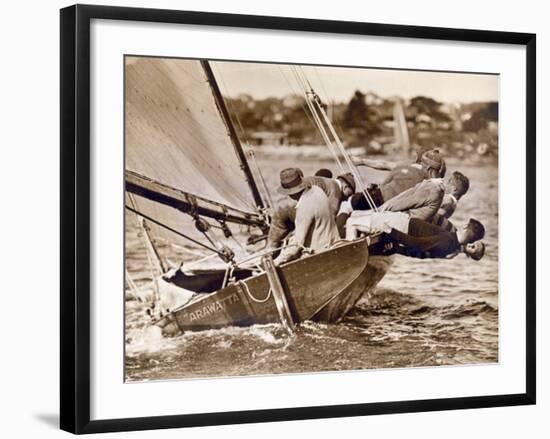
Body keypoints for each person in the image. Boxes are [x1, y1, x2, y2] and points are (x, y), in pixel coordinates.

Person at [267, 171, 355, 249]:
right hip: (298, 205)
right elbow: (330, 219)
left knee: (274, 240)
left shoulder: (325, 181)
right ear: (345, 186)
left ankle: (269, 253)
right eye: (350, 193)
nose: (347, 199)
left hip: (282, 205)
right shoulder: (336, 191)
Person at [347, 212, 485, 260]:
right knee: (357, 221)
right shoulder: (451, 240)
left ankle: (346, 256)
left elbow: (417, 244)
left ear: (466, 227)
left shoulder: (448, 242)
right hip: (403, 223)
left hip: (400, 225)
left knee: (352, 222)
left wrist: (391, 231)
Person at [273, 168, 340, 265]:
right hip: (334, 244)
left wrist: (276, 262)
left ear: (291, 193)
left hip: (319, 254)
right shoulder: (318, 190)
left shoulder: (304, 207)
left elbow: (296, 245)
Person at [350, 148, 447, 211]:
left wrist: (361, 161)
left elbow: (383, 164)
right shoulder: (428, 180)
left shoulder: (405, 165)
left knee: (353, 202)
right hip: (385, 205)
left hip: (374, 196)